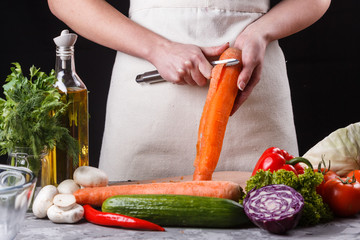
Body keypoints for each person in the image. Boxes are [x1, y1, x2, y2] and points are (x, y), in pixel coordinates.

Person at [48, 0, 331, 181]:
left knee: (271, 211)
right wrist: (158, 49)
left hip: (252, 93)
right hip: (147, 104)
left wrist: (262, 31)